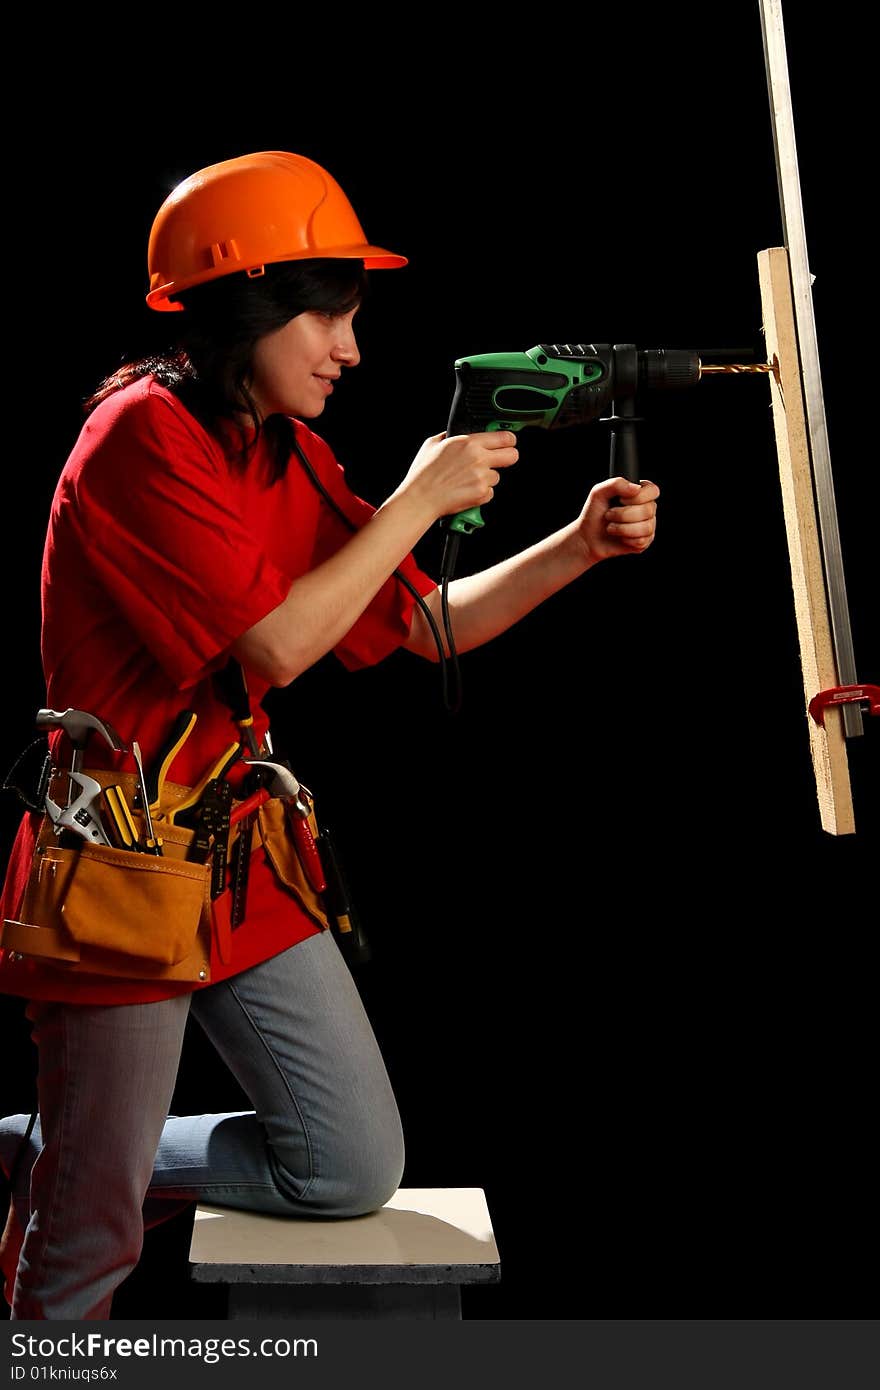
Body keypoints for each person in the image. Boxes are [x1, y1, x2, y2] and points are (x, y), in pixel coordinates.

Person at [0, 150, 659, 1320]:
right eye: (327, 314)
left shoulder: (283, 452)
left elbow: (422, 621)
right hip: (120, 865)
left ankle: (80, 1144)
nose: (350, 347)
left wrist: (576, 548)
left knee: (349, 1166)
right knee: (85, 1253)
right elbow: (275, 648)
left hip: (238, 859)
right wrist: (416, 494)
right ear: (247, 304)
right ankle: (84, 1174)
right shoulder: (139, 441)